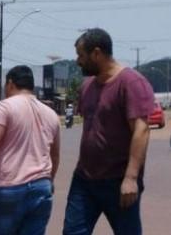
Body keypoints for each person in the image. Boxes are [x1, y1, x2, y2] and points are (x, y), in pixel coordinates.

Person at [63, 28, 154, 235]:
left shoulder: (131, 82)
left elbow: (141, 130)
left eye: (81, 55)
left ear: (97, 53)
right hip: (84, 180)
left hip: (119, 180)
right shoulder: (87, 86)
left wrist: (131, 178)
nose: (78, 61)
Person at [0, 65, 61, 235]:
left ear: (10, 83)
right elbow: (54, 155)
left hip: (9, 189)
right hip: (42, 188)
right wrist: (50, 181)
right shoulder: (51, 114)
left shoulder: (4, 107)